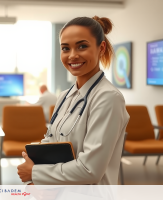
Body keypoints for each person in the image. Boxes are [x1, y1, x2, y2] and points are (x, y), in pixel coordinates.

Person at [17, 16, 130, 185]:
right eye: (65, 48)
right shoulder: (64, 96)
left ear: (101, 48)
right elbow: (53, 141)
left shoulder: (108, 98)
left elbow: (89, 170)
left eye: (82, 46)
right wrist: (35, 168)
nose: (73, 55)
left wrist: (35, 172)